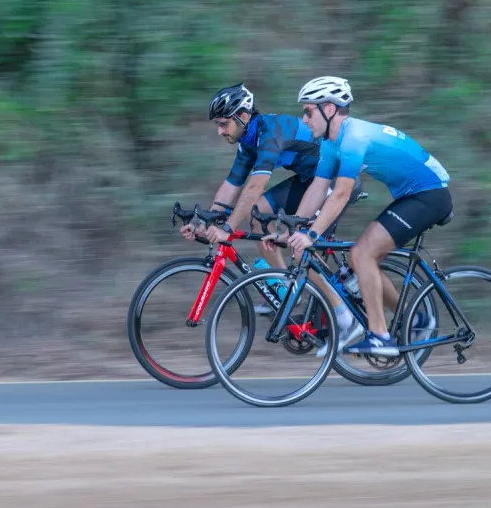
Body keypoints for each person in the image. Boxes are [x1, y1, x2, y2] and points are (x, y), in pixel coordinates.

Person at [266, 76, 451, 356]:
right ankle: (417, 319)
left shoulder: (354, 138)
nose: (304, 119)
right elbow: (319, 188)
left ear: (329, 109)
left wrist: (312, 234)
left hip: (430, 195)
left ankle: (381, 338)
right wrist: (293, 229)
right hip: (412, 196)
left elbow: (340, 194)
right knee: (359, 256)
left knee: (362, 254)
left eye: (308, 111)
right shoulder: (331, 143)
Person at [180, 83, 364, 339]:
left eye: (223, 124)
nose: (220, 131)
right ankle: (288, 284)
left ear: (243, 116)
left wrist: (227, 228)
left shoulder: (269, 133)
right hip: (308, 180)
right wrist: (207, 221)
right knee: (257, 215)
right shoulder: (247, 142)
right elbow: (231, 186)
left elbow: (254, 186)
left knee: (301, 247)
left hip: (333, 181)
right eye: (218, 125)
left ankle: (344, 316)